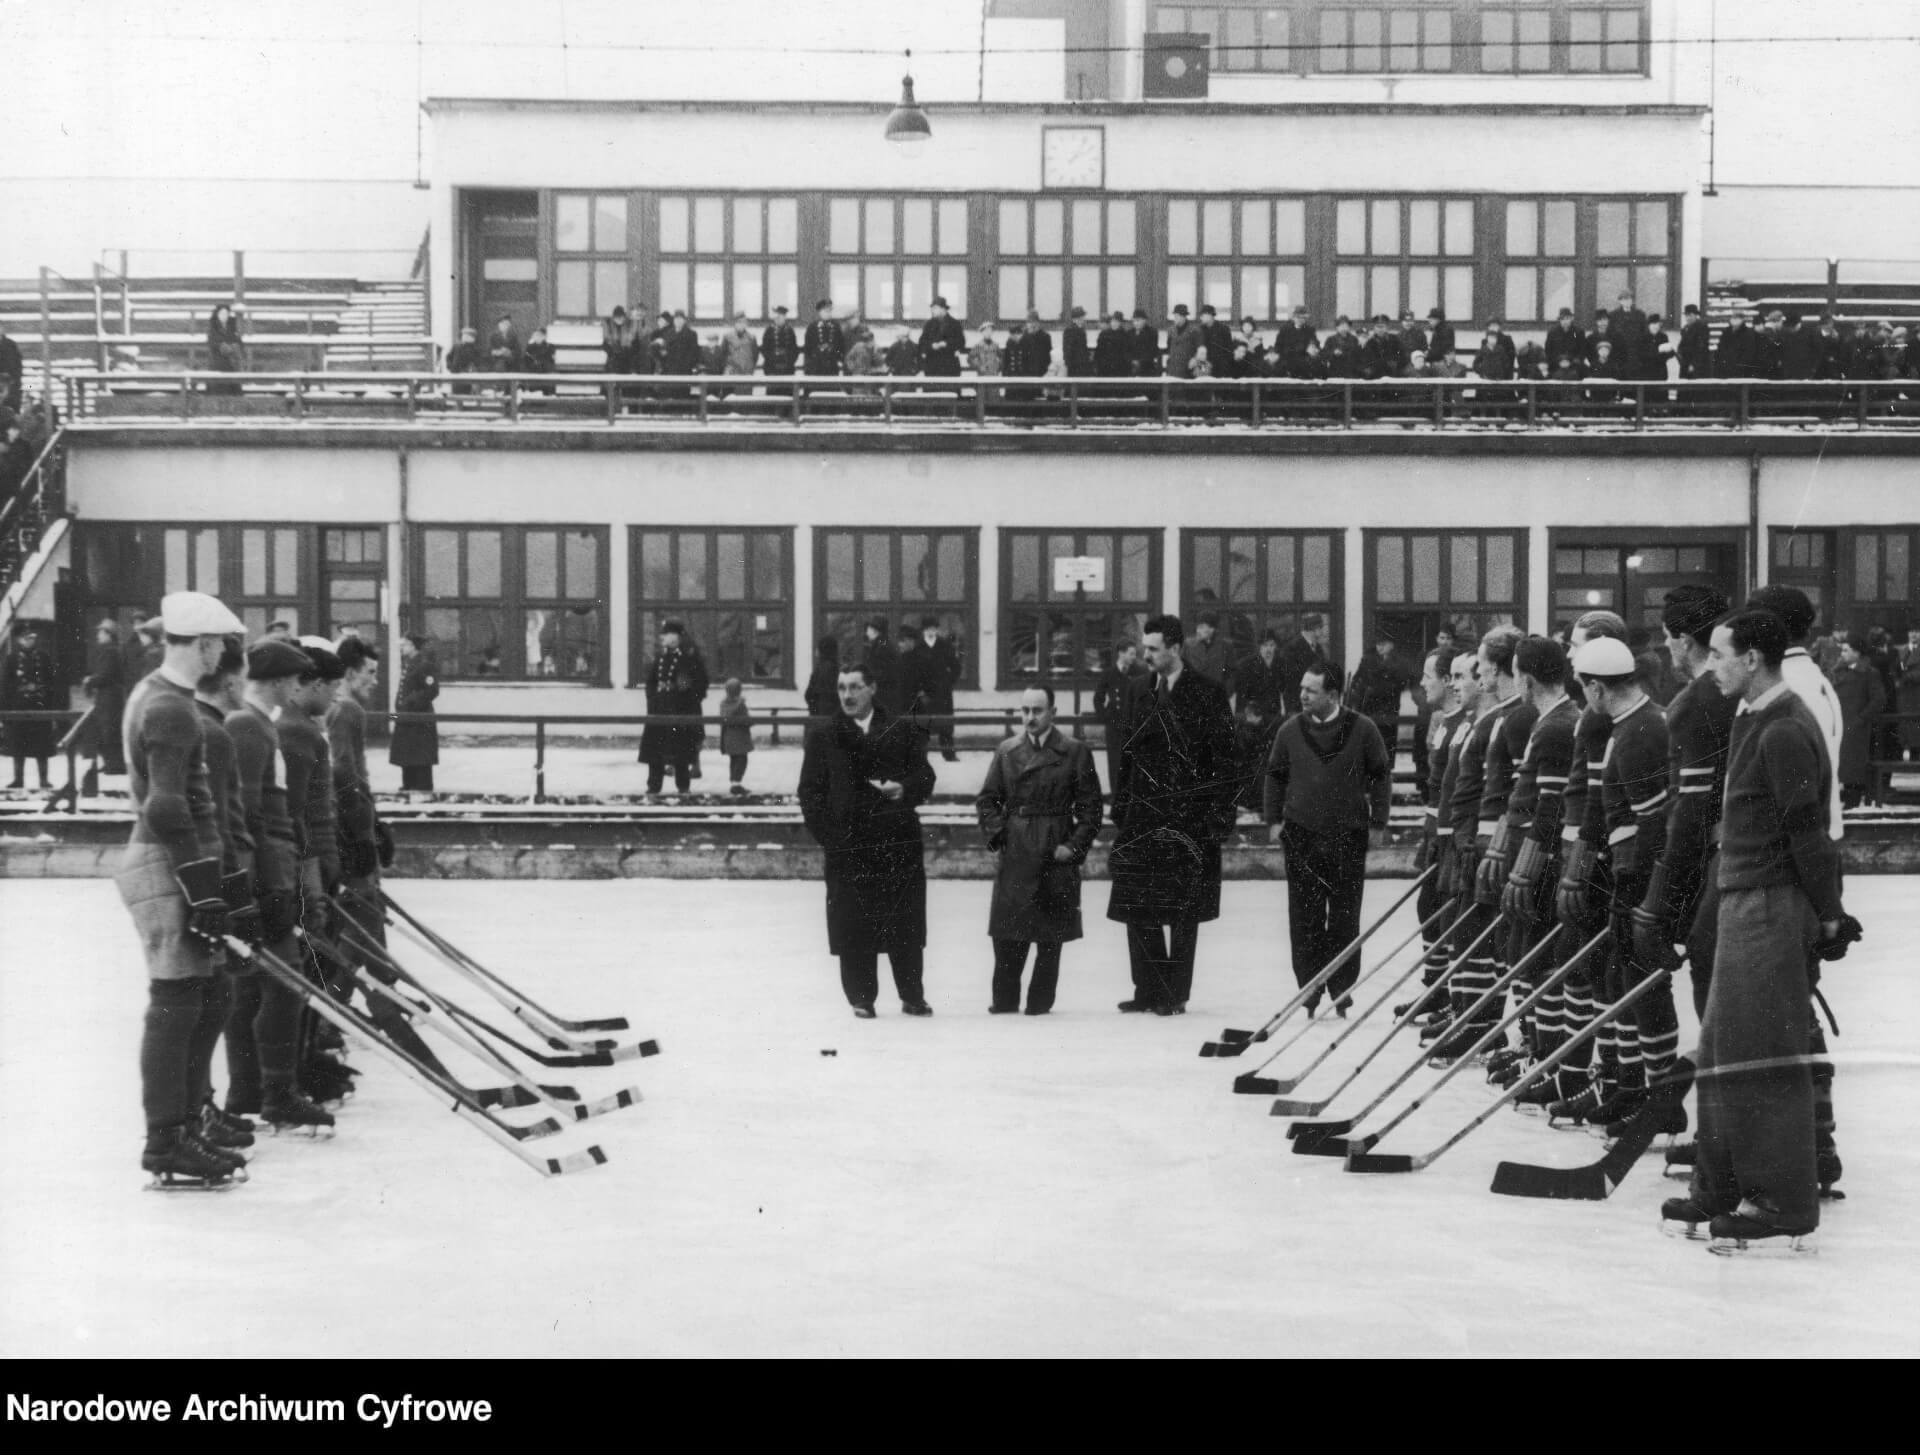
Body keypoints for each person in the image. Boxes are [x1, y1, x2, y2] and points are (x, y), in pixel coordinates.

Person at [1663, 609, 1854, 1255]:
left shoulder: (1784, 728)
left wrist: (1828, 912)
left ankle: (1783, 1201)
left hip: (1773, 905)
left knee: (1765, 1056)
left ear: (1753, 658)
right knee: (1721, 1049)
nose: (1709, 664)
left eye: (1719, 654)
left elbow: (1808, 831)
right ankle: (1719, 1185)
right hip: (1742, 899)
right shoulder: (1752, 716)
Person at [119, 590, 252, 1188]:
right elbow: (168, 807)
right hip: (168, 859)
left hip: (177, 858)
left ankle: (189, 1121)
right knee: (176, 1002)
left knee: (206, 994)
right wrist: (201, 887)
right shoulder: (170, 707)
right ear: (202, 643)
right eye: (221, 642)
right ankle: (166, 1140)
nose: (223, 653)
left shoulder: (160, 697)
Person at [222, 637, 332, 1136]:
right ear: (273, 680)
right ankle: (274, 1092)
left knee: (259, 986)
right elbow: (244, 814)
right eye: (291, 679)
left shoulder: (260, 723)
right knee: (283, 983)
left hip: (275, 870)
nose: (296, 687)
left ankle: (252, 1090)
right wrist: (253, 887)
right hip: (265, 875)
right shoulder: (248, 724)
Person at [1106, 614, 1237, 1017]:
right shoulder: (1136, 690)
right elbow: (1126, 752)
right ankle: (1147, 988)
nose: (1145, 656)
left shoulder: (1208, 693)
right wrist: (1121, 806)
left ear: (1176, 649)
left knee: (1183, 910)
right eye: (1144, 648)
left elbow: (1226, 760)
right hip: (1143, 815)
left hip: (1188, 820)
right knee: (1136, 903)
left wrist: (1219, 816)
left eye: (1153, 649)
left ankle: (1174, 993)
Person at [797, 660, 937, 1018]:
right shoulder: (824, 736)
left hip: (896, 846)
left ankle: (912, 994)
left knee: (903, 924)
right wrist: (832, 838)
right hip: (849, 848)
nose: (847, 695)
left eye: (855, 687)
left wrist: (903, 788)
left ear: (872, 688)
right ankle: (861, 998)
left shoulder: (901, 732)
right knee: (853, 926)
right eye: (842, 688)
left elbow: (925, 776)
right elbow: (810, 795)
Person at [1263, 661, 1392, 1016]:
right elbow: (1274, 775)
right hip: (1301, 836)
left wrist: (1379, 823)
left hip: (1347, 837)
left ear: (1333, 695)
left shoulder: (1363, 729)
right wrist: (1273, 820)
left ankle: (1341, 987)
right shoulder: (1290, 730)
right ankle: (1309, 987)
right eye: (1301, 688)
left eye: (1311, 690)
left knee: (1345, 917)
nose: (1302, 695)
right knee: (1304, 916)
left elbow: (1381, 775)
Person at [975, 686, 1103, 1015]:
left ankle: (1039, 1005)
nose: (1030, 717)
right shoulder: (1007, 750)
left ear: (1052, 712)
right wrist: (1000, 834)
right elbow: (987, 800)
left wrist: (1072, 847)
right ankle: (1004, 1002)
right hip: (1017, 848)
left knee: (1050, 934)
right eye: (1025, 710)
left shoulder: (1075, 752)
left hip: (1054, 846)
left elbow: (1091, 809)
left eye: (1038, 710)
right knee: (1007, 933)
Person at [638, 619, 710, 798]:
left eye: (667, 633)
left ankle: (683, 786)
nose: (663, 637)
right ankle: (653, 786)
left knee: (681, 752)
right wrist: (652, 698)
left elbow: (701, 683)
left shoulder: (688, 657)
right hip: (659, 709)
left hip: (679, 709)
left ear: (677, 636)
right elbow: (651, 682)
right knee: (655, 752)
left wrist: (687, 695)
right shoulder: (661, 657)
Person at [1829, 634, 1886, 808]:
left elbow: (1879, 699)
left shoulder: (1869, 673)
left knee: (1853, 765)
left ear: (1857, 653)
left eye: (1846, 651)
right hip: (1840, 724)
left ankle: (1853, 799)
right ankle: (1846, 796)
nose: (1842, 654)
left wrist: (1861, 719)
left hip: (1856, 728)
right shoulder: (1840, 671)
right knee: (1842, 763)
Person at [3, 623, 59, 789]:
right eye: (27, 638)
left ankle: (44, 780)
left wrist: (42, 693)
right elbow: (5, 685)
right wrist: (6, 710)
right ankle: (18, 780)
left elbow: (52, 683)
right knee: (18, 747)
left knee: (41, 747)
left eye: (33, 638)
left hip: (40, 707)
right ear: (20, 640)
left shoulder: (43, 657)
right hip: (19, 708)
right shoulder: (12, 659)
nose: (31, 641)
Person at [389, 633, 440, 793]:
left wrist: (411, 701)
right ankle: (408, 784)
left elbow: (432, 690)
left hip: (419, 717)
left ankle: (422, 786)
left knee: (421, 754)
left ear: (412, 646)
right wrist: (396, 712)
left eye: (404, 645)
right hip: (404, 716)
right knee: (406, 751)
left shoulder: (424, 664)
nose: (402, 648)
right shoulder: (409, 663)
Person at [907, 615, 961, 763]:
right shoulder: (917, 647)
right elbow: (912, 671)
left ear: (937, 630)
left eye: (934, 628)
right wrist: (918, 689)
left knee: (945, 724)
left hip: (942, 693)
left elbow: (956, 667)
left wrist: (948, 682)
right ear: (923, 630)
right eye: (928, 628)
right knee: (923, 723)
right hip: (924, 693)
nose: (931, 631)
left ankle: (948, 753)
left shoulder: (945, 645)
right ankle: (921, 755)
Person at [1093, 640, 1144, 795]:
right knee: (1114, 765)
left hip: (1133, 726)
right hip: (1114, 727)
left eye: (1135, 654)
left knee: (1132, 765)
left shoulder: (1138, 673)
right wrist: (1106, 717)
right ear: (1121, 653)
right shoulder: (1109, 674)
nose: (1134, 657)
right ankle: (1116, 802)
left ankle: (1129, 804)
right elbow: (1098, 699)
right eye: (1131, 653)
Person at [82, 618, 130, 781]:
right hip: (108, 696)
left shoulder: (110, 651)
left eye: (101, 632)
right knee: (106, 730)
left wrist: (90, 680)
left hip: (110, 697)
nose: (98, 635)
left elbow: (106, 675)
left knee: (109, 730)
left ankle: (114, 765)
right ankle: (112, 763)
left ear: (109, 634)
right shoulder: (110, 650)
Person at [1349, 631, 1409, 752]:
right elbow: (1356, 679)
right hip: (1369, 707)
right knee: (1369, 742)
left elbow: (1401, 684)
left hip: (1389, 707)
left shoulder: (1399, 662)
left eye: (1383, 644)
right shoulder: (1367, 659)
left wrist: (1380, 689)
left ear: (1391, 645)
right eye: (1377, 644)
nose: (1379, 647)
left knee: (1387, 742)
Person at [1275, 613, 1329, 716]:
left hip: (1313, 705)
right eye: (1320, 628)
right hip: (1297, 707)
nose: (1322, 632)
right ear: (1314, 629)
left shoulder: (1318, 649)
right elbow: (1289, 682)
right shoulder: (1292, 649)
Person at [1232, 630, 1284, 722]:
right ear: (1259, 646)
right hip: (1253, 713)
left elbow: (1284, 691)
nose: (1268, 649)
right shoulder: (1247, 665)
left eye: (1271, 645)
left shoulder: (1281, 663)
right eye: (1265, 645)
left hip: (1274, 714)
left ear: (1275, 646)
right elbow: (1241, 695)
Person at [718, 677, 754, 797]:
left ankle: (734, 782)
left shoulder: (723, 704)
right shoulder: (740, 704)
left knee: (734, 760)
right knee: (741, 760)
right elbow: (746, 720)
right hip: (741, 737)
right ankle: (736, 783)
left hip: (728, 737)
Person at [916, 296, 966, 379]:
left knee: (950, 391)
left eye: (935, 308)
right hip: (932, 368)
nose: (932, 311)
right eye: (932, 308)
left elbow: (961, 342)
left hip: (950, 368)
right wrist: (932, 346)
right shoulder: (929, 324)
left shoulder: (955, 324)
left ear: (943, 309)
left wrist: (946, 344)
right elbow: (922, 343)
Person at [204, 303, 245, 394]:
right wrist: (224, 347)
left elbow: (239, 342)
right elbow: (212, 343)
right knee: (218, 388)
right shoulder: (212, 328)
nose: (224, 316)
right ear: (217, 314)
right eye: (222, 314)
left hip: (232, 364)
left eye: (226, 314)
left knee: (233, 388)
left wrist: (234, 347)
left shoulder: (232, 328)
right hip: (217, 363)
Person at [1184, 611, 1231, 687]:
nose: (1198, 631)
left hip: (1216, 693)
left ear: (1212, 629)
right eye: (1197, 627)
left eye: (1201, 627)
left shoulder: (1225, 646)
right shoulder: (1188, 645)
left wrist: (1226, 693)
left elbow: (1231, 673)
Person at [804, 298, 845, 379]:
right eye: (826, 311)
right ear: (820, 312)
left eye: (830, 310)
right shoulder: (812, 327)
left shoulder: (836, 326)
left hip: (832, 365)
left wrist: (838, 357)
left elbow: (841, 346)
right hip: (816, 366)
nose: (828, 313)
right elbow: (808, 349)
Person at [761, 306, 800, 391]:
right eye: (777, 316)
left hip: (787, 368)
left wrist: (789, 362)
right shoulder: (769, 331)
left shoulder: (790, 331)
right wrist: (772, 360)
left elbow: (794, 350)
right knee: (772, 393)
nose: (778, 318)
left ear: (785, 317)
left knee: (787, 393)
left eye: (781, 316)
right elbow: (765, 350)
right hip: (772, 368)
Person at [804, 635, 841, 719]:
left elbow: (811, 694)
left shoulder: (823, 668)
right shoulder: (833, 667)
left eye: (818, 647)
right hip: (828, 713)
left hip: (821, 715)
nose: (815, 650)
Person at [1898, 627, 1920, 762]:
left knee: (1916, 727)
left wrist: (1907, 676)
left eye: (1917, 632)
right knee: (1905, 726)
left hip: (1917, 694)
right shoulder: (1902, 650)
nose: (1913, 634)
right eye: (1911, 631)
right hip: (1903, 694)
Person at [1677, 303, 1711, 380]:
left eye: (1690, 315)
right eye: (1686, 315)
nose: (1688, 318)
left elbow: (1701, 348)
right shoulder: (1685, 329)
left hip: (1697, 367)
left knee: (1695, 389)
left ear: (1696, 315)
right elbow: (1682, 345)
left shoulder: (1702, 327)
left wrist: (1694, 364)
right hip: (1686, 365)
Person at [1093, 311, 1130, 378]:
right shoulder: (1103, 334)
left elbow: (1126, 354)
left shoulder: (1125, 336)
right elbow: (1098, 352)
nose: (1114, 324)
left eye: (1116, 322)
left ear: (1120, 323)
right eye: (1112, 321)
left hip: (1119, 369)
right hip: (1105, 368)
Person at [1062, 306, 1093, 379]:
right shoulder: (1069, 331)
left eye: (1082, 317)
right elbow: (1067, 351)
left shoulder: (1081, 331)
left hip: (1082, 366)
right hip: (1075, 367)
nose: (1082, 320)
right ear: (1074, 319)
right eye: (1080, 318)